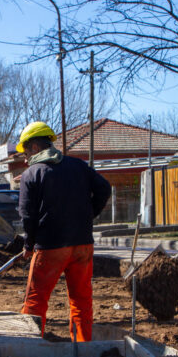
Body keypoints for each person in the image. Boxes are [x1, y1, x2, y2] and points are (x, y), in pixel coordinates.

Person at [17, 121, 111, 342]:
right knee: (81, 301)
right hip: (82, 245)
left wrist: (28, 245)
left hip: (50, 248)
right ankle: (83, 348)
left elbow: (27, 215)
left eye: (26, 151)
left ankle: (31, 348)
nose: (25, 158)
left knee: (35, 301)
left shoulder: (32, 174)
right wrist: (88, 216)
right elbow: (104, 188)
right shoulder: (78, 166)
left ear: (34, 147)